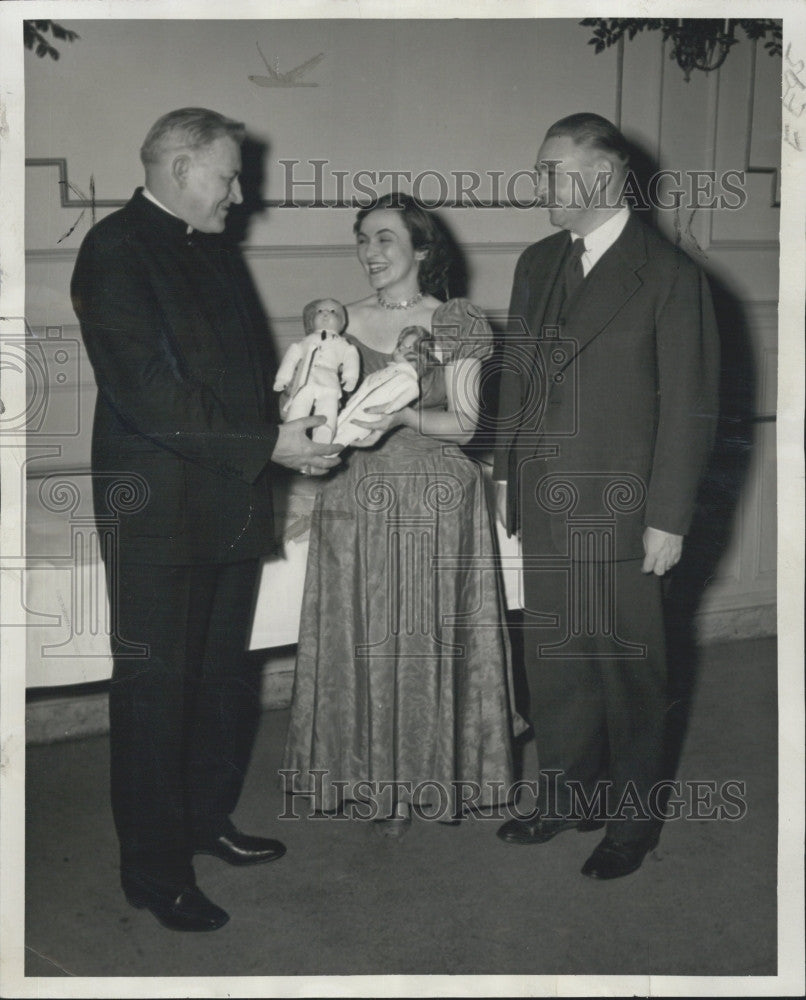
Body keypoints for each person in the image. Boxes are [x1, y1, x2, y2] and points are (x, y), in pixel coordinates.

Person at [71, 107, 341, 931]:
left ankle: (204, 822)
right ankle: (153, 872)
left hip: (226, 499)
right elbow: (150, 393)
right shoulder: (113, 251)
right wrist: (271, 444)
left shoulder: (211, 248)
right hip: (156, 512)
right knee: (156, 692)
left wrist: (304, 412)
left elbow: (241, 374)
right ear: (182, 168)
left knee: (221, 682)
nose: (240, 193)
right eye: (228, 175)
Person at [493, 113, 720, 878]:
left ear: (604, 175)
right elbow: (520, 380)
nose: (540, 185)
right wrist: (506, 474)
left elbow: (691, 405)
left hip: (626, 515)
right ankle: (564, 796)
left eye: (552, 170)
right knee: (555, 661)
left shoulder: (669, 275)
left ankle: (631, 824)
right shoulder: (535, 263)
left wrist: (668, 519)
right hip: (546, 502)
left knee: (628, 671)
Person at [282, 194, 524, 835]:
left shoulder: (458, 321)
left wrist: (401, 416)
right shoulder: (336, 325)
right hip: (356, 501)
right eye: (363, 239)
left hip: (438, 500)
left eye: (385, 239)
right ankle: (369, 780)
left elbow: (469, 426)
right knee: (361, 640)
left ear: (421, 249)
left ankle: (430, 779)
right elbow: (311, 418)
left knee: (425, 644)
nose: (370, 253)